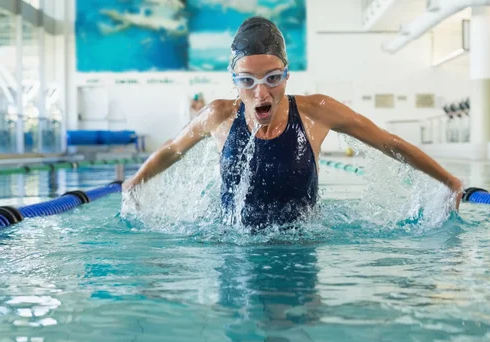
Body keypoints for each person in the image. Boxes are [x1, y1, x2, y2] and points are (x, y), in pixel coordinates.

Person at [124, 16, 463, 228]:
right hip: (231, 249)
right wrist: (134, 183)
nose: (261, 93)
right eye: (247, 81)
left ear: (287, 75)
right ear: (234, 80)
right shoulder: (218, 115)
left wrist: (449, 180)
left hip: (301, 248)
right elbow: (171, 150)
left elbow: (387, 142)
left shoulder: (317, 112)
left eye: (273, 78)